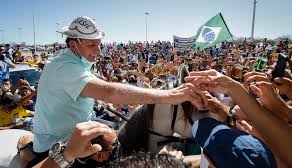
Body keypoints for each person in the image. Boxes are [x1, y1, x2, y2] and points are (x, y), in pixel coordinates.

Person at [31, 16, 205, 167]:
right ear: (73, 43)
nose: (98, 50)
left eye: (99, 44)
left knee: (115, 129)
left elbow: (84, 92)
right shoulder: (65, 66)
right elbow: (108, 92)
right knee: (118, 152)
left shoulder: (75, 61)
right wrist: (170, 95)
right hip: (58, 143)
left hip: (79, 126)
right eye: (92, 44)